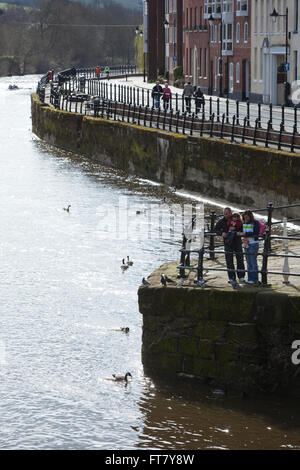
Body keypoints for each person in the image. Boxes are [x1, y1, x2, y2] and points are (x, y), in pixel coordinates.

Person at [215, 207, 246, 288]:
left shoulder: (237, 218)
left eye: (226, 213)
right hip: (228, 243)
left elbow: (242, 228)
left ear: (230, 213)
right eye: (224, 214)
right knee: (229, 261)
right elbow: (215, 229)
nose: (225, 215)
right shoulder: (222, 221)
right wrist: (221, 233)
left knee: (240, 259)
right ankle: (232, 278)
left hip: (237, 242)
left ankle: (241, 277)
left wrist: (237, 231)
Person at [238, 210, 260, 284]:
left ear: (250, 217)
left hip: (253, 244)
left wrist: (244, 234)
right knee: (248, 262)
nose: (246, 219)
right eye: (244, 217)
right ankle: (250, 278)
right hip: (246, 244)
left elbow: (255, 233)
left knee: (253, 262)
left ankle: (255, 279)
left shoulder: (256, 223)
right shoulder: (244, 223)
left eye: (247, 217)